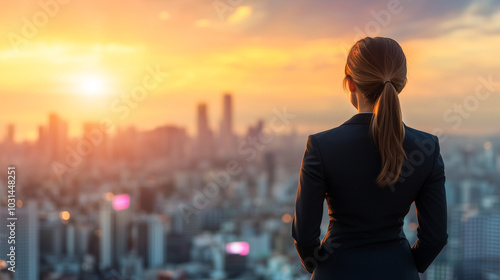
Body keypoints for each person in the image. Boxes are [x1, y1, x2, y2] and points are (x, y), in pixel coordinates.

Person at [291, 37, 448, 280]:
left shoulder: (321, 146)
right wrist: (404, 265)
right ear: (402, 84)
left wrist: (321, 268)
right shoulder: (427, 148)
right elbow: (435, 237)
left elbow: (304, 236)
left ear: (350, 83)